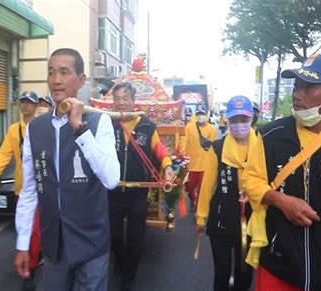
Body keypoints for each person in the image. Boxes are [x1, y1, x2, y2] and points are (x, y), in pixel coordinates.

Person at [14, 48, 120, 290]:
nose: (56, 80)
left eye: (64, 72)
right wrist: (22, 243)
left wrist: (80, 131)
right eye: (51, 73)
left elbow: (111, 179)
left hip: (91, 242)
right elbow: (30, 190)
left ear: (81, 80)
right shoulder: (35, 128)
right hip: (54, 244)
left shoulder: (98, 122)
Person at [242, 53, 321, 290]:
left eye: (309, 87)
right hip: (279, 264)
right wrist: (280, 200)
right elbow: (250, 179)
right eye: (297, 85)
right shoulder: (270, 135)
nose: (297, 94)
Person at [108, 82, 174, 291]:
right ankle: (119, 258)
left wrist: (168, 167)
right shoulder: (106, 123)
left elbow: (160, 149)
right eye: (117, 98)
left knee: (136, 239)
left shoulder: (146, 125)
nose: (120, 102)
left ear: (133, 101)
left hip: (138, 192)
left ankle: (128, 278)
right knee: (114, 235)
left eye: (125, 98)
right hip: (113, 190)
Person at [196, 95, 256, 291]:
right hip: (221, 221)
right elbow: (208, 184)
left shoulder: (262, 147)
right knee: (221, 273)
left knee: (244, 273)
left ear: (252, 119)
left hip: (250, 222)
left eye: (244, 119)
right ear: (227, 121)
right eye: (234, 120)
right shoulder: (218, 148)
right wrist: (201, 216)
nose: (239, 125)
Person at [0, 90, 40, 291]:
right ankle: (29, 262)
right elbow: (4, 155)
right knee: (25, 230)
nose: (25, 106)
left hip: (42, 189)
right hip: (22, 189)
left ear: (36, 105)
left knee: (36, 232)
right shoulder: (14, 131)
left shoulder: (42, 127)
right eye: (23, 102)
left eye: (29, 102)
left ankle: (31, 269)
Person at [184, 106, 218, 212]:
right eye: (198, 114)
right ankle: (193, 200)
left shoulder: (212, 129)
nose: (200, 116)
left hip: (205, 165)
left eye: (202, 114)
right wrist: (182, 157)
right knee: (189, 187)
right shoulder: (189, 127)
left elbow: (214, 147)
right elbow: (184, 143)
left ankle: (198, 209)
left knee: (202, 190)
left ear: (206, 114)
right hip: (191, 164)